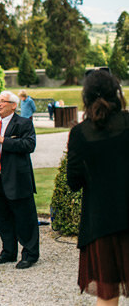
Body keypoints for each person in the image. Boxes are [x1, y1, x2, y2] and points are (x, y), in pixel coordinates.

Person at [67, 70, 129, 305]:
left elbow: (73, 182)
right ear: (116, 92)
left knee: (107, 294)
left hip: (100, 223)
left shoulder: (80, 134)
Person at [0, 91, 39, 269]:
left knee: (24, 218)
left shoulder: (24, 123)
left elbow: (29, 145)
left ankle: (30, 254)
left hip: (16, 179)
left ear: (13, 105)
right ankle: (8, 251)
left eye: (3, 101)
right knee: (2, 218)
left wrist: (3, 140)